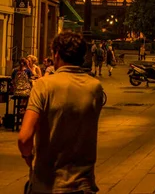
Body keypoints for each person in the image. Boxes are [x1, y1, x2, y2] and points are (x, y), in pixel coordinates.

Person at [18, 31, 104, 194]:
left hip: (48, 184)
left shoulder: (43, 86)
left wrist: (29, 158)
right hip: (83, 185)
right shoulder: (95, 87)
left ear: (56, 54)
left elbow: (24, 138)